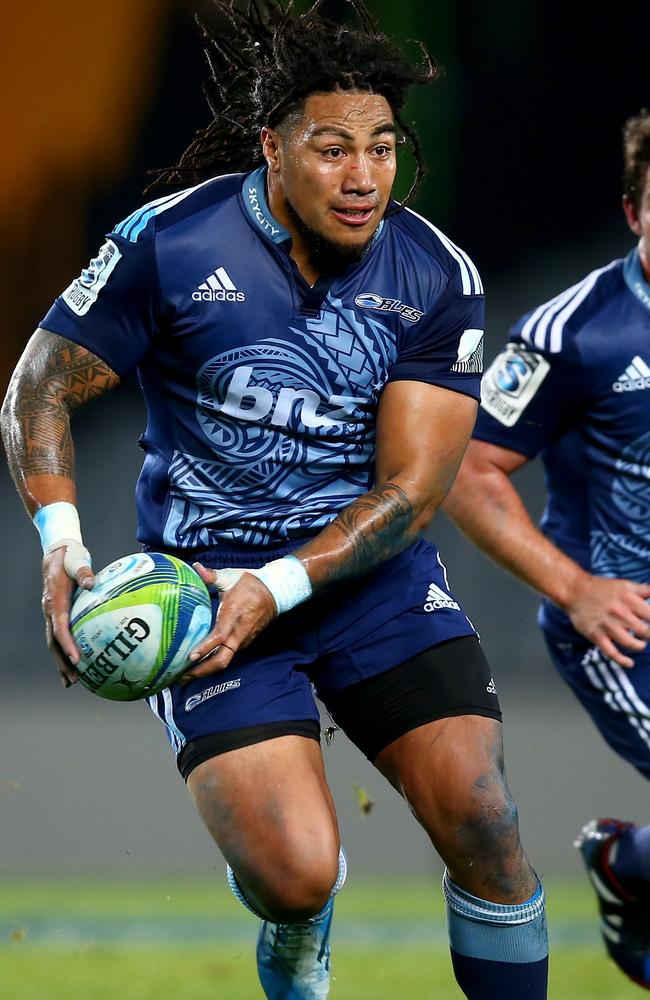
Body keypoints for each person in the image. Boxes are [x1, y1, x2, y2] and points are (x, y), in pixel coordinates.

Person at [1, 2, 548, 997]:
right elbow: (38, 388)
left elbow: (410, 495)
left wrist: (284, 579)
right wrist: (59, 542)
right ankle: (301, 927)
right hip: (210, 597)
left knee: (483, 818)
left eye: (380, 148)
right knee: (293, 877)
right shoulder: (168, 245)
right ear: (271, 147)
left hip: (367, 581)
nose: (361, 177)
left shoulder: (433, 276)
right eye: (332, 147)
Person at [444, 110, 650, 990]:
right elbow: (466, 469)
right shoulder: (575, 333)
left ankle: (627, 861)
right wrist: (577, 590)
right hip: (626, 628)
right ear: (634, 211)